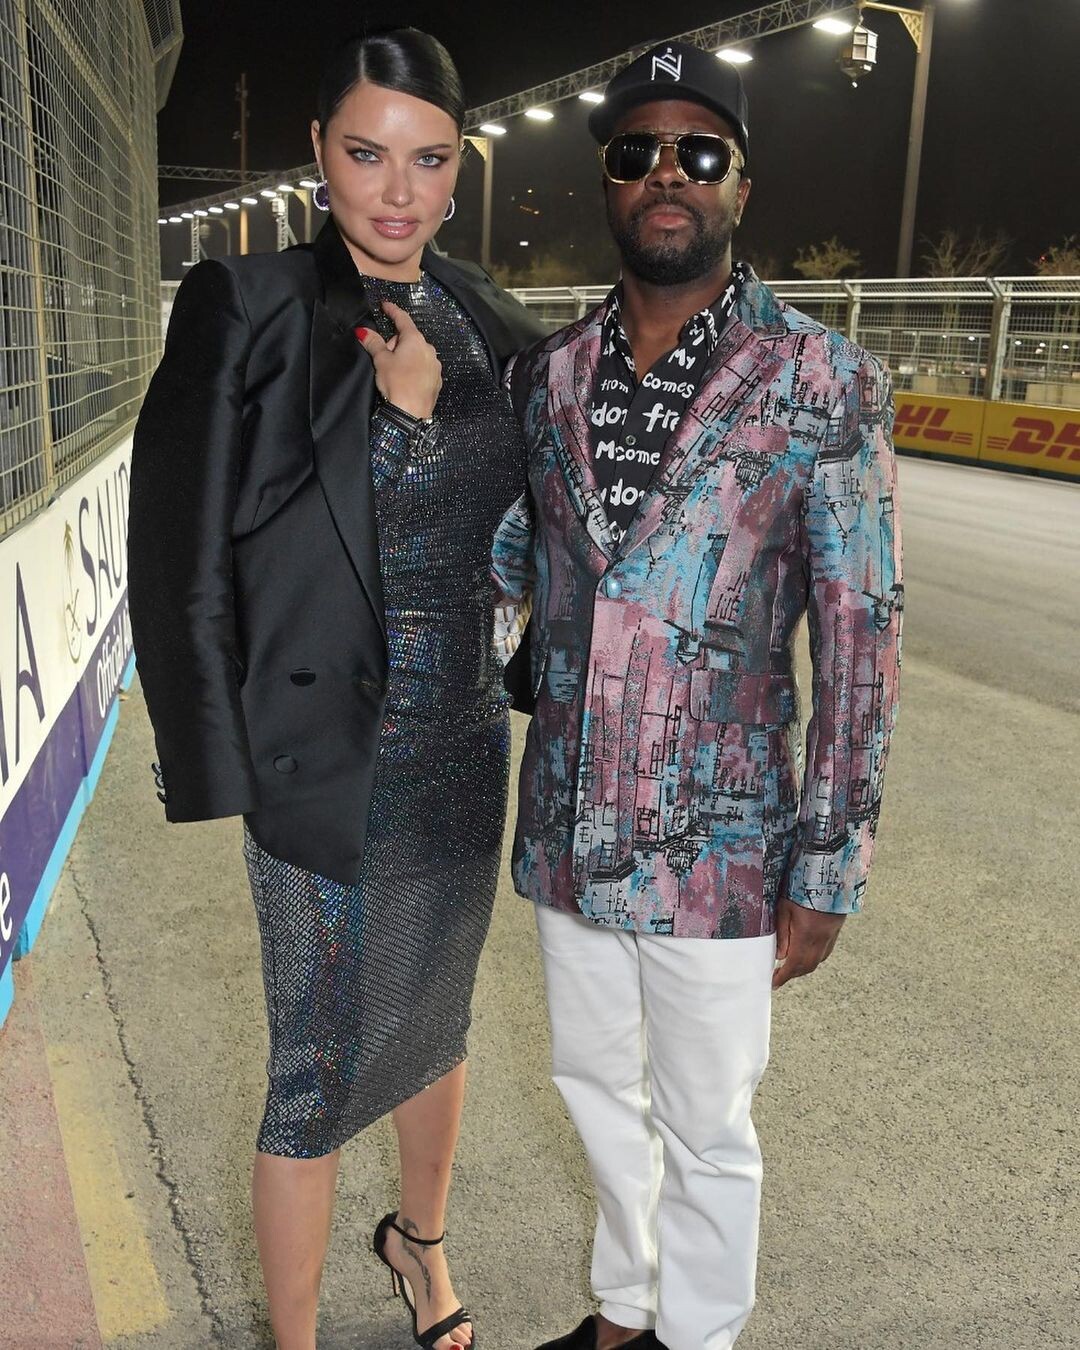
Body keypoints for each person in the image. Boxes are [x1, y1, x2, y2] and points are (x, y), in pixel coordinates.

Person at [128, 28, 543, 1350]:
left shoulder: (493, 323)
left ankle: (419, 1244)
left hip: (463, 745)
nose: (397, 191)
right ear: (318, 152)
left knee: (436, 1017)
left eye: (429, 160)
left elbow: (547, 521)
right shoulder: (245, 306)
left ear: (460, 168)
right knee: (311, 1066)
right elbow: (177, 551)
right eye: (367, 154)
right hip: (319, 756)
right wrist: (219, 760)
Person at [493, 41, 903, 1350]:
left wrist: (829, 863)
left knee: (709, 1124)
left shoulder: (822, 379)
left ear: (739, 184)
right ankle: (627, 1309)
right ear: (609, 185)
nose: (666, 172)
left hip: (724, 844)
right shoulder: (548, 375)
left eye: (698, 151)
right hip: (570, 825)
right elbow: (516, 564)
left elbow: (862, 641)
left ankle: (700, 1335)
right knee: (592, 1085)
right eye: (637, 152)